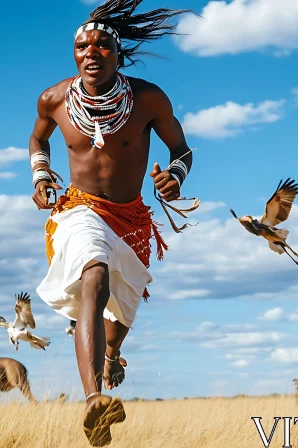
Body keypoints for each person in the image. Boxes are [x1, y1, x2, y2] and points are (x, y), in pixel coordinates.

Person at [28, 0, 194, 445]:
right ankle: (93, 400)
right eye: (83, 45)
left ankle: (111, 355)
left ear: (117, 54)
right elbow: (38, 137)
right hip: (80, 209)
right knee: (93, 275)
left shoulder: (147, 99)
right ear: (75, 53)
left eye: (102, 45)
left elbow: (182, 151)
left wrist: (173, 178)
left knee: (117, 322)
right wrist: (40, 174)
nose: (91, 52)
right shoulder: (54, 99)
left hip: (133, 218)